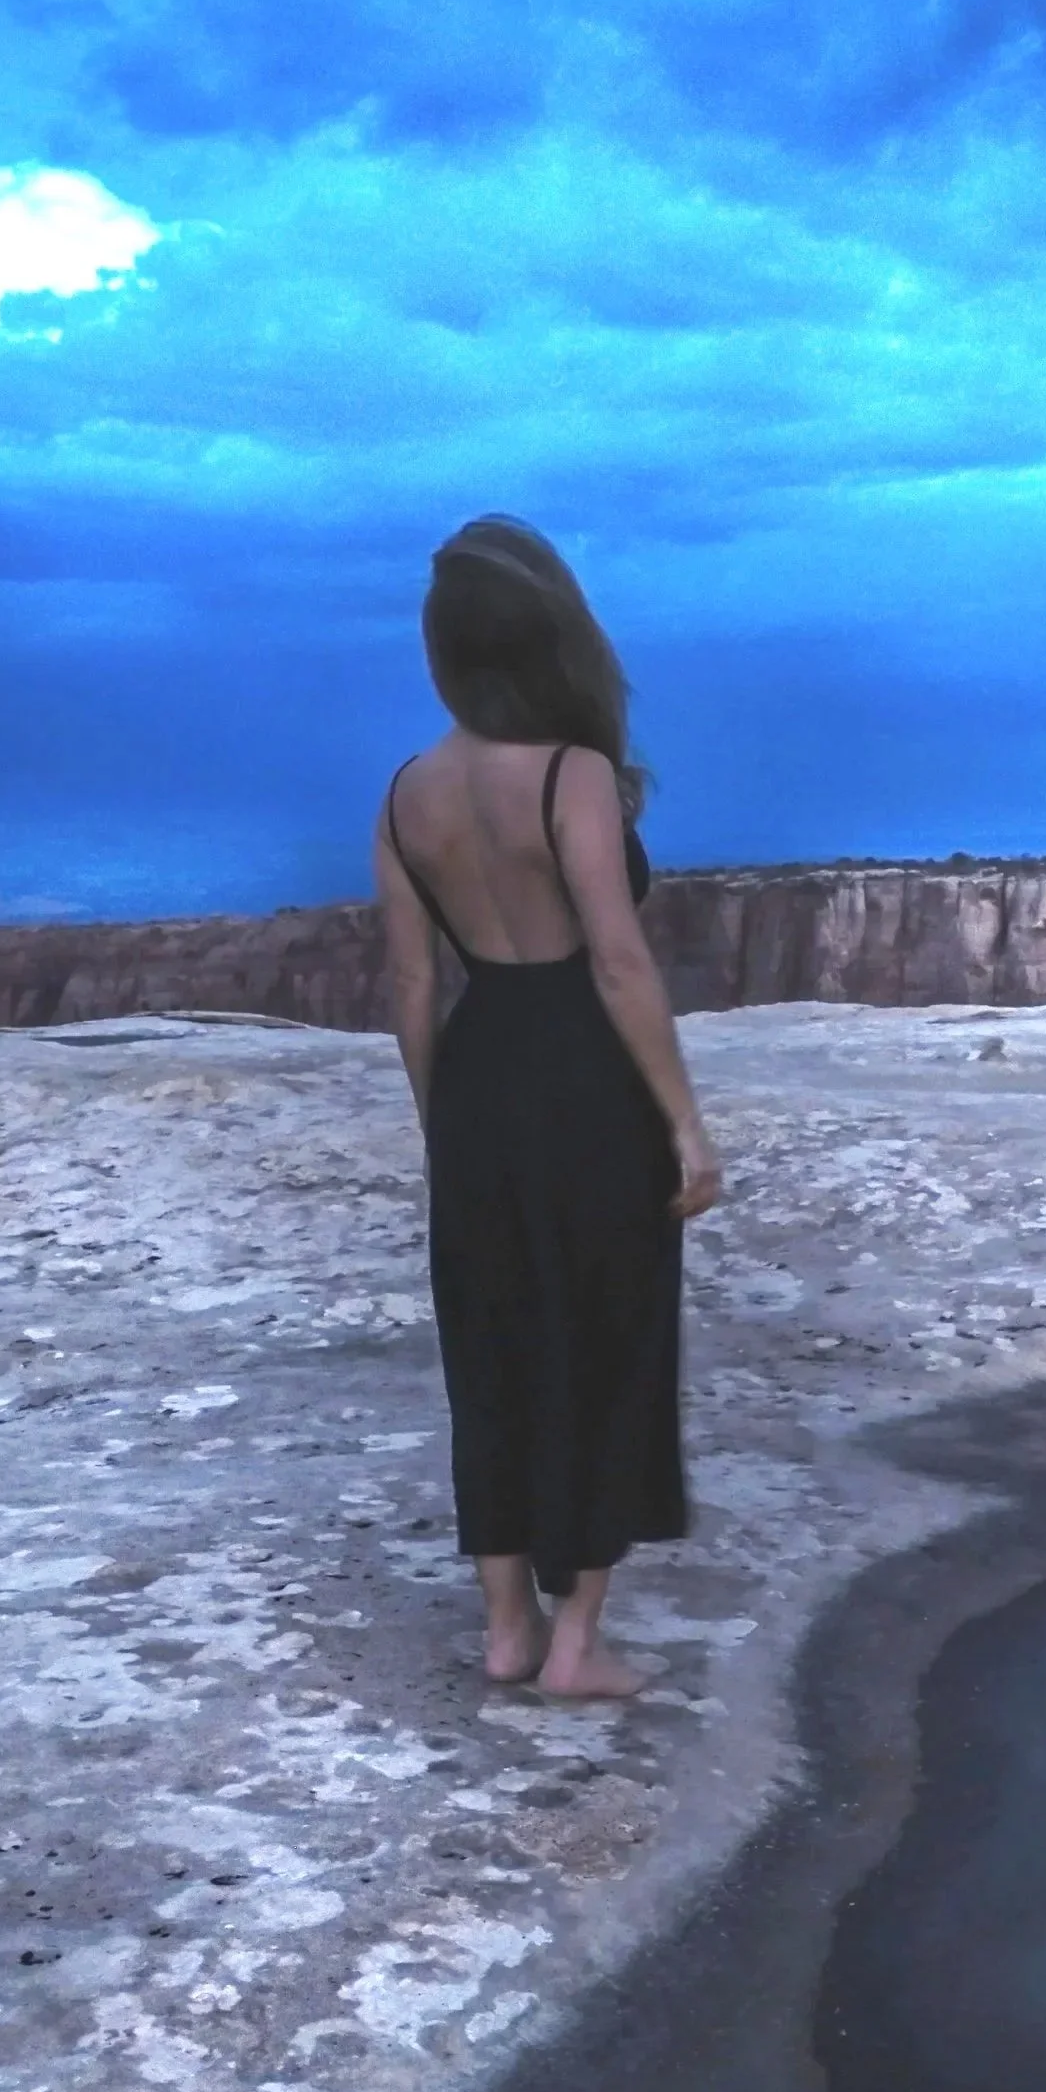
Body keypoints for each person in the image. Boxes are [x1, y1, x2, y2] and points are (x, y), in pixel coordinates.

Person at [374, 515, 723, 1699]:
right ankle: (576, 1640)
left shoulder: (406, 793)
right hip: (585, 1079)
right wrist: (683, 1120)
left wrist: (443, 1124)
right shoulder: (572, 777)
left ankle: (504, 1627)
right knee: (606, 1333)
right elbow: (618, 962)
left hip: (480, 1076)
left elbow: (415, 982)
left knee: (495, 1342)